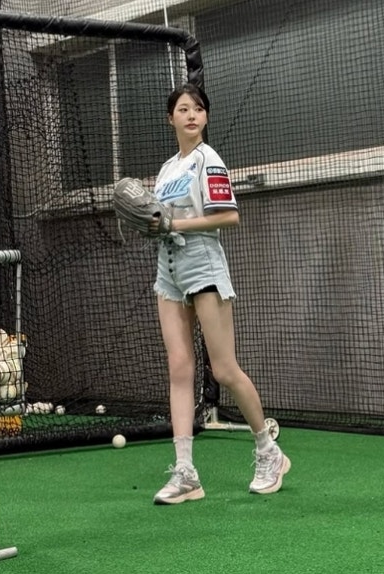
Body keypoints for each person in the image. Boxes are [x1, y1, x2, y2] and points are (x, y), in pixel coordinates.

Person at [150, 82, 290, 505]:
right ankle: (185, 473)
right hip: (168, 270)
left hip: (203, 265)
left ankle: (269, 451)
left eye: (198, 109)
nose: (191, 115)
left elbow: (228, 216)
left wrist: (174, 224)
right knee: (179, 368)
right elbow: (157, 218)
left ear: (205, 117)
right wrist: (149, 223)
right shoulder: (166, 169)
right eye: (183, 109)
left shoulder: (208, 160)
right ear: (170, 119)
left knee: (224, 369)